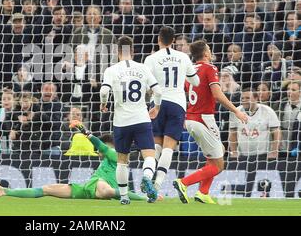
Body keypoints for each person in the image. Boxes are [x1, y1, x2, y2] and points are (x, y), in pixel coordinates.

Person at [172, 40, 248, 204]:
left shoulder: (190, 71)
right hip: (204, 119)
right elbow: (217, 95)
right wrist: (236, 110)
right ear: (206, 53)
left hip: (190, 119)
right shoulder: (210, 68)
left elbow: (186, 90)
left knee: (217, 151)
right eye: (209, 49)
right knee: (219, 166)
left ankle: (203, 192)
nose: (211, 52)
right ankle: (183, 183)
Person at [0, 125, 147, 202]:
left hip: (100, 186)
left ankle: (144, 198)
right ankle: (5, 191)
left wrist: (86, 132)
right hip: (86, 189)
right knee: (47, 189)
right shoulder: (111, 159)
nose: (98, 153)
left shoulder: (115, 155)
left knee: (107, 191)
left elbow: (102, 146)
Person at [100, 36, 163, 204]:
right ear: (133, 51)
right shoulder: (142, 68)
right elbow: (158, 91)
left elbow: (104, 91)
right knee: (149, 155)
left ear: (117, 52)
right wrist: (156, 107)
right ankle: (147, 177)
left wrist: (103, 104)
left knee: (122, 161)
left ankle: (124, 197)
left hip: (121, 122)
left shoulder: (111, 70)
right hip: (141, 119)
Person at [143, 26, 200, 194]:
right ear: (173, 40)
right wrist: (186, 74)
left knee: (155, 145)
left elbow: (147, 85)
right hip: (177, 103)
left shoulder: (151, 58)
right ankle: (157, 185)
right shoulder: (183, 57)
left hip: (158, 103)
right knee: (169, 147)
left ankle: (148, 175)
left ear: (159, 40)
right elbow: (195, 82)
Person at [229, 88, 282, 162]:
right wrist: (234, 152)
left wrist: (274, 151)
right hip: (242, 155)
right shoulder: (236, 112)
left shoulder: (267, 111)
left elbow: (276, 132)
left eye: (247, 98)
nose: (244, 100)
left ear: (256, 98)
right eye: (242, 98)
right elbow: (233, 133)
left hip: (263, 155)